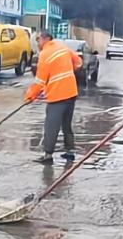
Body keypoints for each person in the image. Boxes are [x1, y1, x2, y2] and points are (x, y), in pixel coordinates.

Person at [25, 30, 82, 164]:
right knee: (66, 124)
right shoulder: (63, 47)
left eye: (38, 40)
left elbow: (39, 81)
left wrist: (30, 96)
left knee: (51, 125)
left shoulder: (45, 54)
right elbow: (78, 62)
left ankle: (48, 156)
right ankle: (70, 152)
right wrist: (66, 71)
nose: (37, 43)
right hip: (71, 93)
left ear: (44, 39)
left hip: (58, 95)